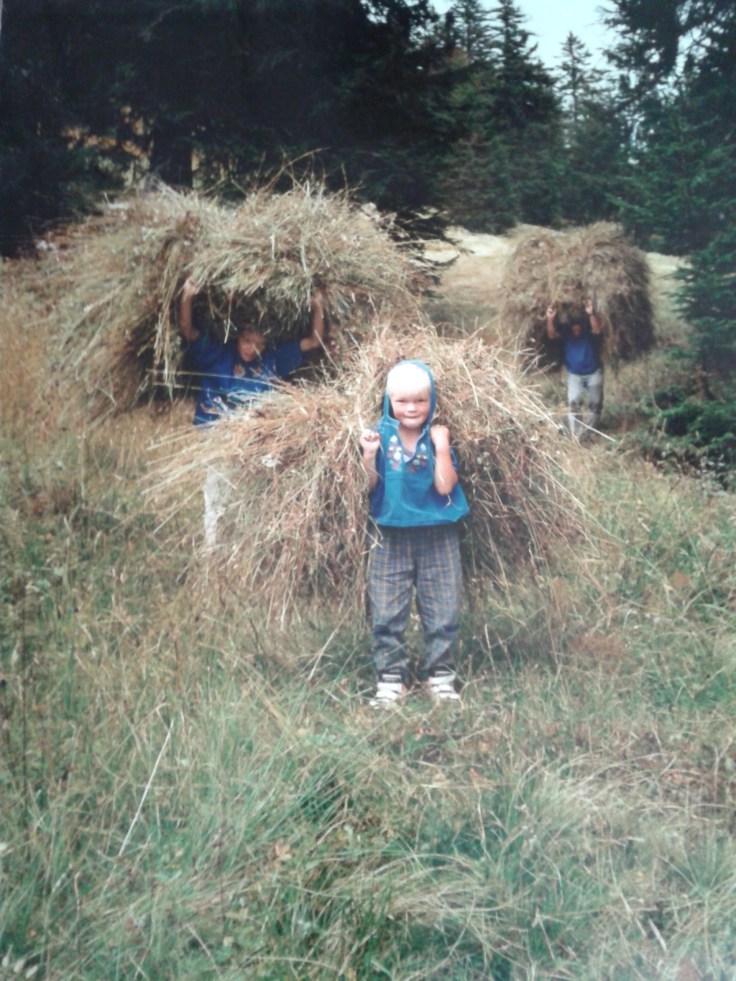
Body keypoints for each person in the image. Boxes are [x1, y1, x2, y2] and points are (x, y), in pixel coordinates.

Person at [179, 278, 326, 545]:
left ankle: (246, 545)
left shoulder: (272, 359)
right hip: (217, 435)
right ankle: (214, 548)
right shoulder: (217, 355)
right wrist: (187, 297)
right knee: (217, 488)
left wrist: (317, 307)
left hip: (255, 440)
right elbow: (187, 330)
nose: (251, 349)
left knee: (250, 491)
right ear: (237, 336)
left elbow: (314, 341)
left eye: (258, 343)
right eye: (247, 341)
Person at [359, 360, 469, 708]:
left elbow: (444, 486)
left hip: (437, 533)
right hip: (389, 534)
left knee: (443, 606)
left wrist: (440, 447)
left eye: (420, 401)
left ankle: (441, 676)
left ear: (431, 400)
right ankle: (391, 678)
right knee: (387, 607)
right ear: (389, 400)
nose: (411, 408)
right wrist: (368, 454)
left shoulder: (435, 436)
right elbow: (367, 487)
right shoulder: (380, 434)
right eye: (403, 401)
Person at [545, 299, 603, 440]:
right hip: (574, 376)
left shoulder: (588, 334)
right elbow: (551, 335)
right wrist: (550, 319)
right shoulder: (565, 336)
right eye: (573, 327)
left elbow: (597, 329)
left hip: (593, 373)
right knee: (573, 403)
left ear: (581, 325)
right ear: (570, 326)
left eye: (578, 326)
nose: (576, 329)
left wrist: (590, 314)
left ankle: (588, 432)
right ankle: (576, 436)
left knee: (595, 404)